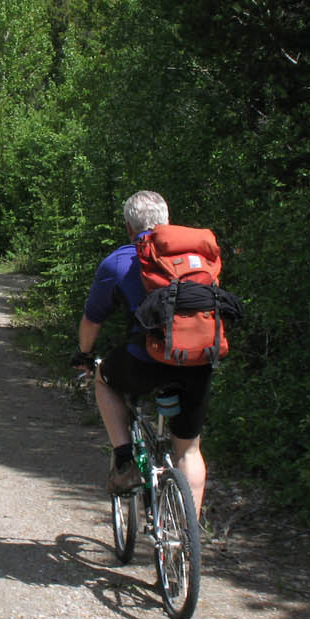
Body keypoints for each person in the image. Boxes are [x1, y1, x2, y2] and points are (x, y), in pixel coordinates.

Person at [71, 191, 216, 514]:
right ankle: (186, 542)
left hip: (146, 360)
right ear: (167, 220)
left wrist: (84, 354)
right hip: (198, 359)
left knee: (103, 378)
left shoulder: (119, 261)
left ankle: (124, 462)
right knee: (190, 451)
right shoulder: (196, 257)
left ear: (128, 228)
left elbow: (92, 320)